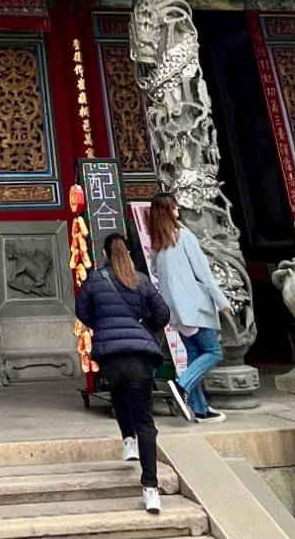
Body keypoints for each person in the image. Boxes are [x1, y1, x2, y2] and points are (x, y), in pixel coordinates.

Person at [74, 231, 171, 515]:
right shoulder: (140, 279)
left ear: (104, 253)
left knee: (117, 391)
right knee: (147, 422)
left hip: (111, 352)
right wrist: (144, 326)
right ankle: (150, 489)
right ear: (128, 252)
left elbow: (83, 311)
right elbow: (162, 313)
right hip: (140, 353)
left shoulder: (95, 279)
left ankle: (128, 441)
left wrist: (102, 325)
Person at [147, 192, 229, 424]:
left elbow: (155, 272)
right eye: (174, 208)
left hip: (175, 311)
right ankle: (182, 386)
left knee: (194, 354)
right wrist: (221, 301)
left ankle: (200, 409)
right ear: (168, 212)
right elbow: (203, 273)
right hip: (193, 307)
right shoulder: (183, 236)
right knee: (213, 352)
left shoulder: (158, 243)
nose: (178, 211)